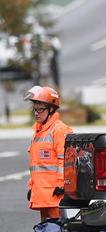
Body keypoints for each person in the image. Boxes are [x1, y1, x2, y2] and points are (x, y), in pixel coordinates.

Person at [24, 85, 72, 222]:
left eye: (40, 109)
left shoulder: (60, 130)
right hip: (42, 194)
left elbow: (65, 161)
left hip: (55, 194)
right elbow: (36, 165)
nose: (36, 113)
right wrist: (31, 187)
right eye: (35, 109)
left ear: (51, 109)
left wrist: (61, 186)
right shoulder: (38, 132)